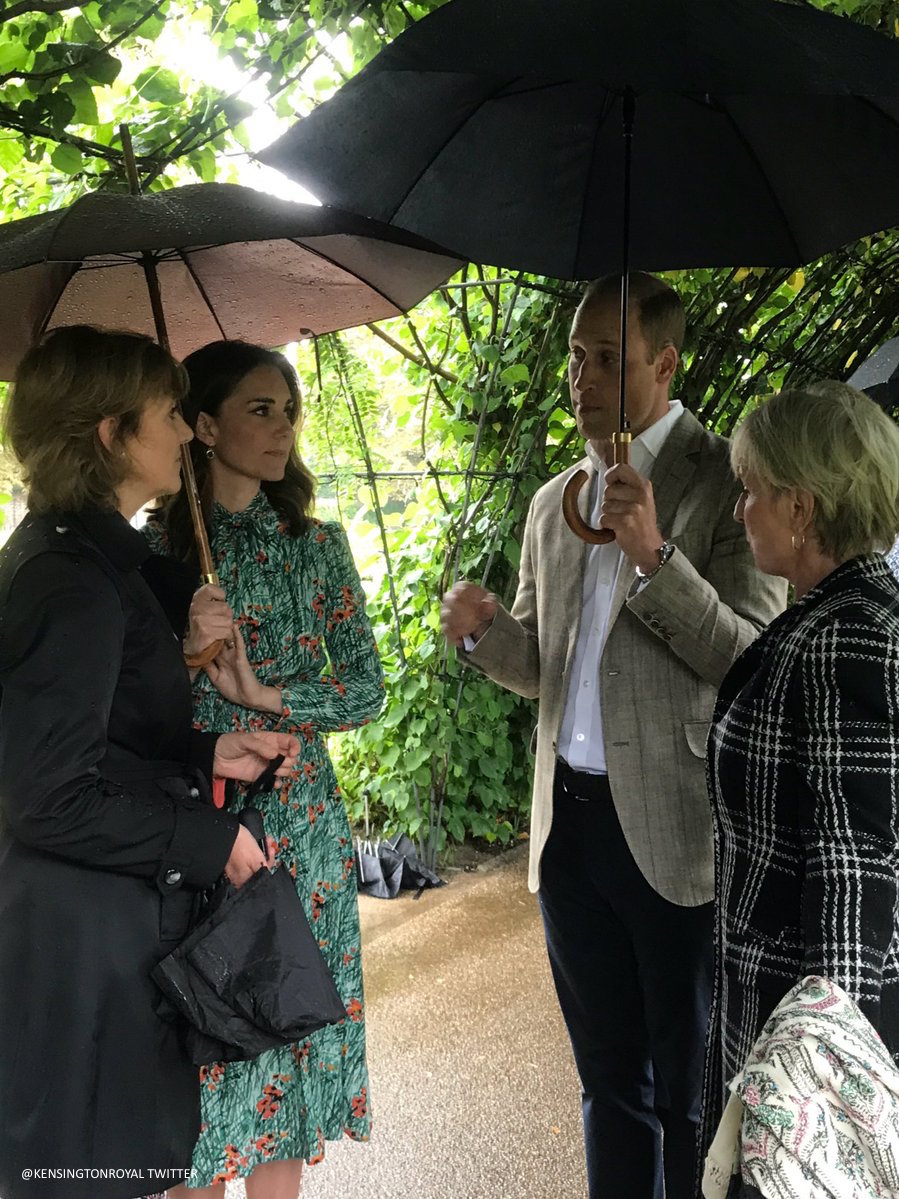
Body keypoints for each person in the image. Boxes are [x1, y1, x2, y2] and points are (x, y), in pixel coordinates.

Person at [441, 273, 786, 1199]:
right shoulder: (558, 499)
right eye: (573, 355)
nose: (580, 377)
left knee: (690, 1086)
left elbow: (750, 657)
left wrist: (653, 557)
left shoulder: (726, 481)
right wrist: (482, 634)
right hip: (570, 829)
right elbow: (542, 666)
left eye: (605, 357)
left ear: (664, 363)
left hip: (677, 832)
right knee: (604, 1078)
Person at [0, 326, 299, 1199]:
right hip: (80, 942)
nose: (183, 430)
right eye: (168, 412)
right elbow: (47, 795)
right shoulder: (69, 580)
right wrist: (209, 842)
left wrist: (212, 749)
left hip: (103, 921)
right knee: (85, 1173)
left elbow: (101, 739)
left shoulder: (97, 561)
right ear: (109, 432)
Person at [144, 340, 384, 1199]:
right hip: (199, 824)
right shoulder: (154, 554)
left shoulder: (315, 544)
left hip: (301, 829)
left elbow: (365, 686)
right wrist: (184, 651)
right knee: (201, 1044)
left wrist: (266, 693)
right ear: (202, 426)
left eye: (288, 409)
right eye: (258, 409)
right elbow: (124, 706)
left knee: (284, 1036)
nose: (282, 427)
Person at [699, 381, 899, 1167]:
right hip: (785, 1004)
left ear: (800, 508)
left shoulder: (842, 636)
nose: (739, 508)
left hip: (797, 1020)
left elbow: (855, 863)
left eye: (749, 490)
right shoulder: (844, 613)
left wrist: (820, 1085)